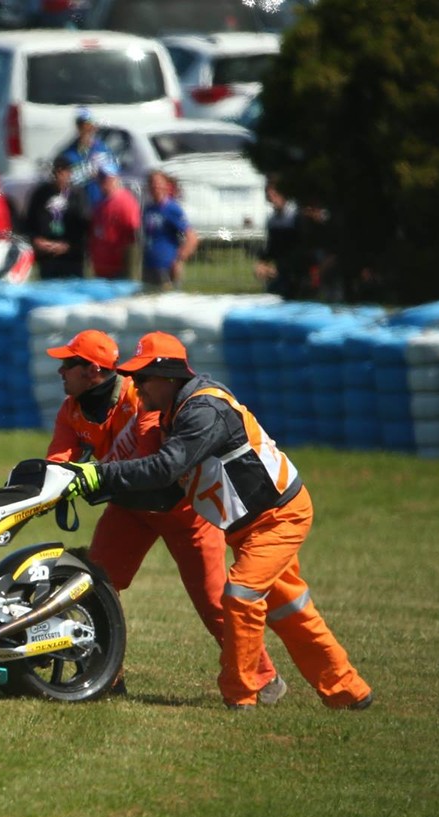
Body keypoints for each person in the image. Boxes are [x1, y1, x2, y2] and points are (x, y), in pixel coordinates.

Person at [66, 332, 374, 711]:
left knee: (241, 594)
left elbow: (167, 468)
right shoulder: (173, 413)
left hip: (278, 517)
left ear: (168, 377)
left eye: (143, 377)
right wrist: (98, 486)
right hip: (248, 526)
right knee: (291, 609)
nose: (135, 384)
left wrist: (101, 476)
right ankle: (348, 690)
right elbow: (166, 492)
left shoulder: (202, 411)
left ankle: (240, 696)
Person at [45, 329, 279, 698]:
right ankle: (107, 676)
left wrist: (93, 479)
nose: (59, 372)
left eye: (67, 365)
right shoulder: (71, 409)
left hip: (183, 511)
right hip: (128, 509)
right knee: (95, 587)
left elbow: (149, 465)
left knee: (214, 603)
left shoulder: (141, 399)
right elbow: (58, 460)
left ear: (90, 370)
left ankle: (262, 676)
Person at [24, 153, 88, 280]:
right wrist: (36, 240)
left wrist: (68, 246)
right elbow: (29, 223)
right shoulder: (41, 194)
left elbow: (84, 226)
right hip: (47, 258)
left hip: (71, 259)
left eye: (63, 171)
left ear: (69, 173)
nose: (59, 175)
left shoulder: (78, 195)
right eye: (56, 171)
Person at [253, 180, 309, 299]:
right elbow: (272, 247)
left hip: (299, 270)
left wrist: (281, 267)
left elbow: (303, 247)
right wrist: (262, 263)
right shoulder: (272, 220)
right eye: (269, 195)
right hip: (282, 269)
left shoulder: (296, 216)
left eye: (275, 194)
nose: (272, 199)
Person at [141, 170, 197, 290]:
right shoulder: (148, 209)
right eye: (152, 183)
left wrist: (179, 260)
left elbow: (191, 238)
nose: (155, 186)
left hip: (166, 267)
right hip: (149, 266)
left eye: (158, 183)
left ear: (166, 185)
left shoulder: (172, 209)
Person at [86, 158, 139, 281]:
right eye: (101, 178)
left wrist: (128, 269)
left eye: (107, 177)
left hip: (118, 269)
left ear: (116, 178)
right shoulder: (100, 204)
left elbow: (132, 236)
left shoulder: (125, 201)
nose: (104, 181)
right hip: (101, 267)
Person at [56, 108, 112, 213]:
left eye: (88, 124)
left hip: (101, 207)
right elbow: (62, 182)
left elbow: (112, 177)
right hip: (77, 210)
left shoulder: (103, 150)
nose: (85, 129)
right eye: (81, 125)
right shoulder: (68, 154)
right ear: (77, 127)